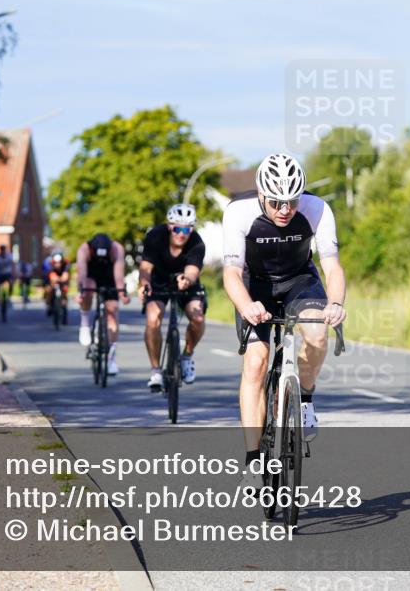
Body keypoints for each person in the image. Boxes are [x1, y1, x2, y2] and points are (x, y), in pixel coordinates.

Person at [222, 153, 346, 485]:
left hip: (299, 282)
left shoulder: (317, 209)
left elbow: (332, 266)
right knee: (256, 361)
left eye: (291, 201)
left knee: (318, 335)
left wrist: (334, 303)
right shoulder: (239, 213)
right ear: (261, 194)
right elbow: (232, 273)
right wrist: (247, 305)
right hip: (255, 285)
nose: (284, 209)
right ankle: (252, 459)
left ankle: (304, 400)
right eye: (276, 201)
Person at [139, 203, 208, 392]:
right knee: (153, 319)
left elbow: (192, 271)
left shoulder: (197, 242)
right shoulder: (155, 236)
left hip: (185, 281)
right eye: (178, 228)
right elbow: (145, 268)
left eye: (187, 229)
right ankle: (156, 371)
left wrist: (186, 280)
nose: (182, 233)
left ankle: (186, 356)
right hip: (159, 281)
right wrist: (144, 284)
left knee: (198, 318)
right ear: (170, 226)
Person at [76, 233, 130, 376]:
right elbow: (81, 273)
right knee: (87, 290)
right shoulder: (84, 249)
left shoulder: (117, 248)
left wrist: (121, 293)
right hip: (91, 275)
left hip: (109, 277)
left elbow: (118, 274)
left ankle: (112, 358)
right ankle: (85, 324)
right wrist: (81, 292)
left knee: (112, 309)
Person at [44, 251, 70, 316]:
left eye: (59, 263)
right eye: (56, 263)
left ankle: (64, 304)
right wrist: (54, 279)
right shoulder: (50, 264)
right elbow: (51, 275)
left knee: (65, 289)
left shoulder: (66, 264)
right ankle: (49, 304)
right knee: (49, 289)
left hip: (63, 278)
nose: (58, 265)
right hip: (53, 277)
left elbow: (66, 274)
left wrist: (63, 278)